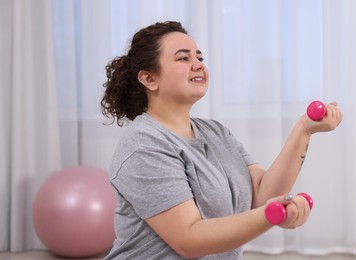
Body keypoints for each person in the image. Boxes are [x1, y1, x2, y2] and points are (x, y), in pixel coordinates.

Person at [100, 21, 343, 259]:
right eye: (184, 58)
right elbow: (189, 239)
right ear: (149, 79)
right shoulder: (143, 146)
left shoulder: (216, 132)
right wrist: (271, 215)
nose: (198, 65)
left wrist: (303, 130)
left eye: (200, 58)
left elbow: (263, 194)